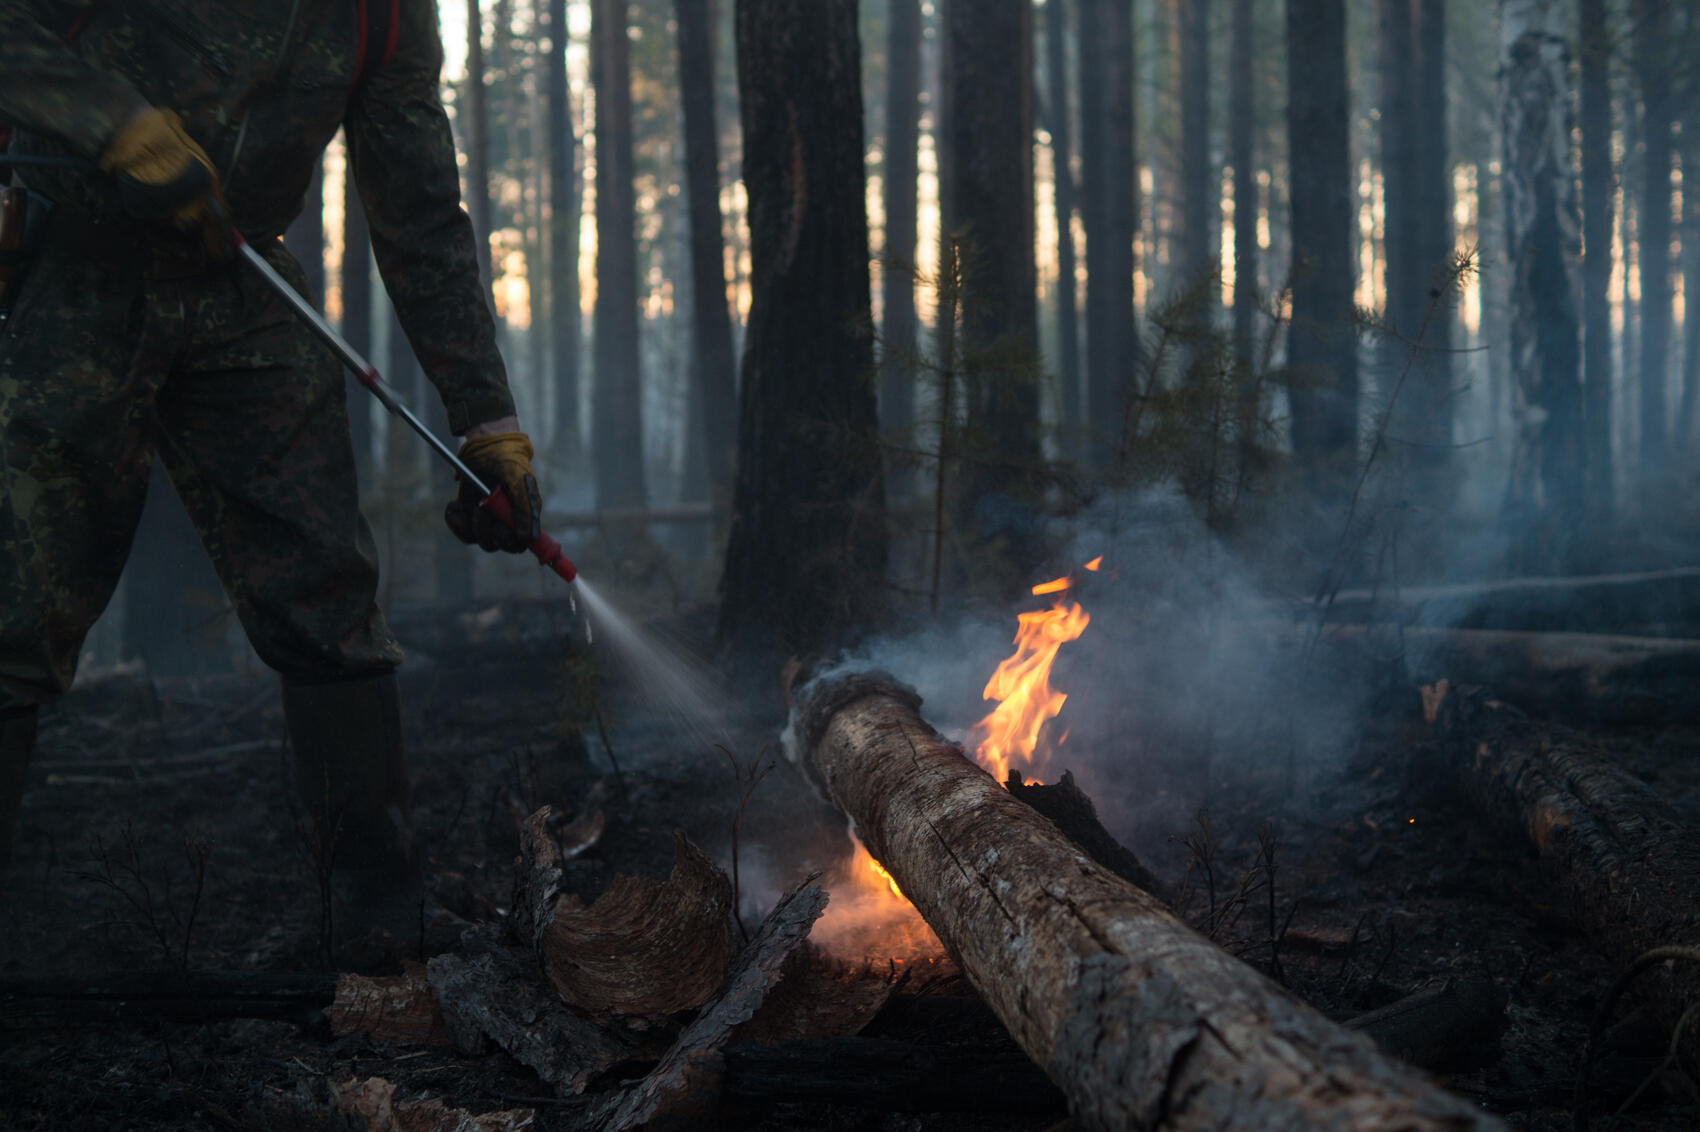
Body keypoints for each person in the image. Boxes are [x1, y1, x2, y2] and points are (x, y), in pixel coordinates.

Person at [0, 0, 543, 951]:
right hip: (72, 271)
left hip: (244, 280)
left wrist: (484, 417)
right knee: (11, 603)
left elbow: (418, 207)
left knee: (330, 592)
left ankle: (376, 928)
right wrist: (113, 125)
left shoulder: (382, 16)